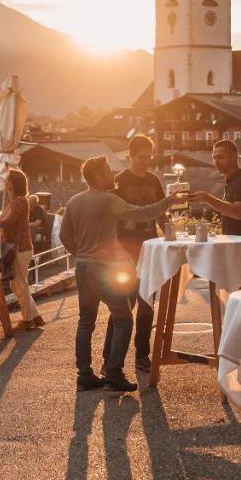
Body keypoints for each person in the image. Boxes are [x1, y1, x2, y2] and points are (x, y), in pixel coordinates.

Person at [60, 155, 180, 392]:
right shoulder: (108, 200)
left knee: (86, 321)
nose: (112, 173)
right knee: (124, 318)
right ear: (97, 176)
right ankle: (114, 373)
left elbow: (64, 236)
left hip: (82, 267)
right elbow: (142, 213)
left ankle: (84, 375)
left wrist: (82, 254)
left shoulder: (74, 201)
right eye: (107, 170)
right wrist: (168, 201)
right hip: (102, 268)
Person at [103, 134, 166, 375]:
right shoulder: (119, 181)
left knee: (147, 305)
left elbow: (161, 209)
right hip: (124, 251)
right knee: (123, 304)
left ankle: (142, 356)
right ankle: (109, 359)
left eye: (149, 157)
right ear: (130, 155)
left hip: (149, 249)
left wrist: (167, 229)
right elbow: (111, 218)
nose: (146, 162)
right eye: (141, 157)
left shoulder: (154, 180)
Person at [189, 138, 241, 285]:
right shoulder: (232, 181)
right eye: (214, 157)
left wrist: (208, 198)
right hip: (237, 244)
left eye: (221, 157)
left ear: (234, 157)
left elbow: (237, 213)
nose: (216, 161)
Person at [0, 168, 42, 330]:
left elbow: (6, 221)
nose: (5, 181)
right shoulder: (14, 200)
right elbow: (3, 217)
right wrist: (6, 194)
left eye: (8, 179)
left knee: (19, 284)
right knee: (18, 283)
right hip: (17, 247)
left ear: (14, 182)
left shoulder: (20, 201)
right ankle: (35, 317)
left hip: (20, 247)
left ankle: (28, 320)